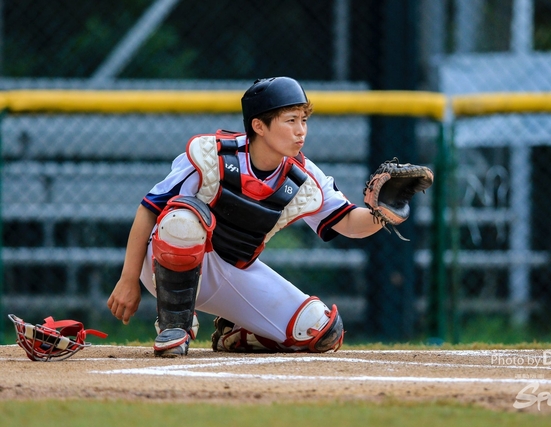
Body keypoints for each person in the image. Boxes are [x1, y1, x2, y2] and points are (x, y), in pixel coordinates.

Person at [107, 77, 393, 357]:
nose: (301, 131)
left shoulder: (305, 177)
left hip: (232, 268)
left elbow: (350, 224)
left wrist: (386, 211)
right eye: (290, 120)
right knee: (182, 220)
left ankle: (236, 333)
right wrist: (128, 278)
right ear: (259, 126)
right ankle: (174, 327)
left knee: (319, 330)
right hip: (167, 263)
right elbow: (149, 209)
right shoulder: (213, 156)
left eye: (303, 120)